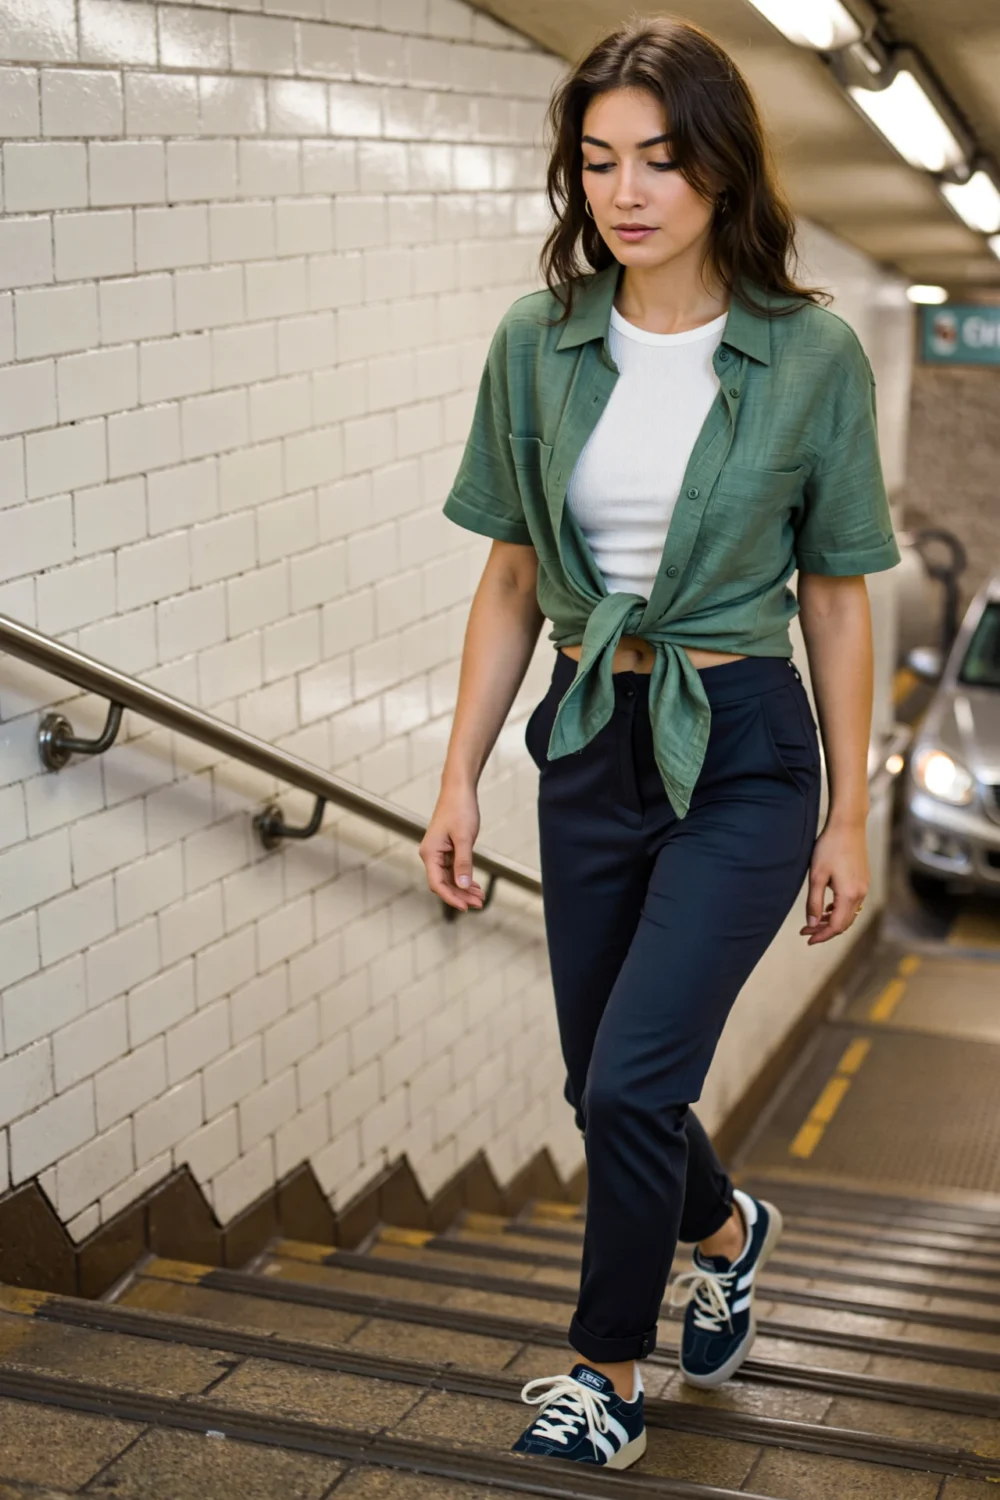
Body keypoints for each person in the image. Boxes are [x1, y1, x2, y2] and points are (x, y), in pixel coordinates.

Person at [418, 13, 899, 1473]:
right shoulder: (537, 341)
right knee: (602, 1081)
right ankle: (728, 1231)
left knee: (632, 1082)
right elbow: (513, 574)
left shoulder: (810, 353)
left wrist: (847, 815)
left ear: (721, 169)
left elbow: (837, 594)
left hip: (743, 745)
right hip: (589, 735)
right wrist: (456, 777)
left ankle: (606, 1376)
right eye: (599, 161)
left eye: (662, 160)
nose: (626, 192)